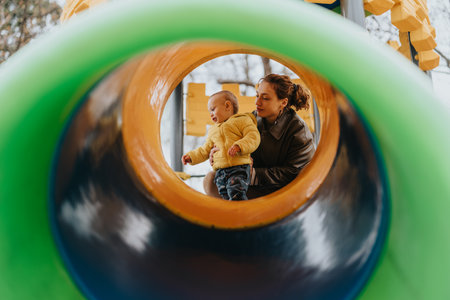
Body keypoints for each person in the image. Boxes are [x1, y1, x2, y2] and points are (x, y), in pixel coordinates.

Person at [203, 74, 316, 198]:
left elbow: (293, 173)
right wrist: (220, 152)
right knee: (211, 181)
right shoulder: (252, 119)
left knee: (230, 190)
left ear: (283, 102)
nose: (257, 102)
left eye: (265, 98)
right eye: (257, 95)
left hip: (284, 191)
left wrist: (253, 174)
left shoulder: (299, 131)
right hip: (254, 183)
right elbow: (233, 139)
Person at [182, 90, 260, 200]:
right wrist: (191, 157)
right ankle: (230, 215)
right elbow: (205, 149)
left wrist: (239, 146)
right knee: (225, 198)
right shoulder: (213, 130)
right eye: (210, 111)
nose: (211, 114)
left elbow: (253, 137)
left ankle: (242, 214)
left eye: (213, 109)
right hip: (220, 172)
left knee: (236, 194)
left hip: (238, 168)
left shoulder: (242, 120)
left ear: (227, 106)